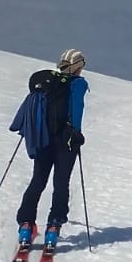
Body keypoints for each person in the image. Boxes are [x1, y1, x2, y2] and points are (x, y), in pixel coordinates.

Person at [13, 49, 89, 251]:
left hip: (44, 138)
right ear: (78, 66)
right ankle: (53, 227)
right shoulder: (79, 84)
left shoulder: (48, 82)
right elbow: (76, 111)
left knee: (38, 180)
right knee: (61, 183)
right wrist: (77, 134)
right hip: (67, 141)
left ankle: (26, 226)